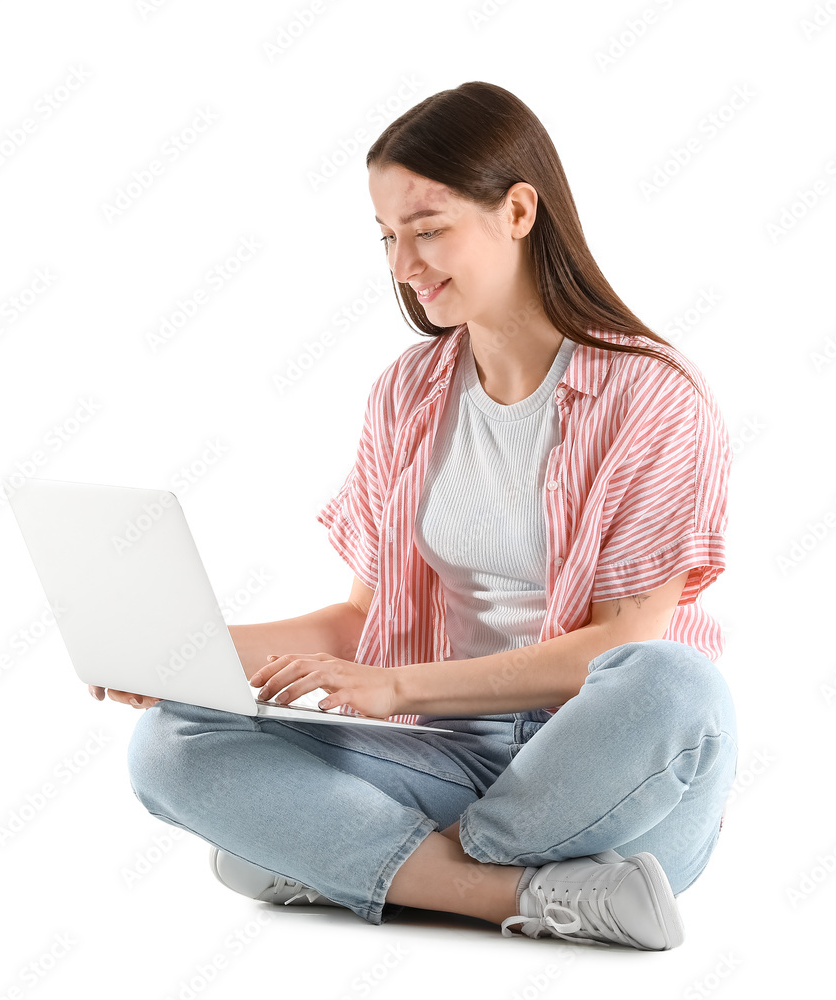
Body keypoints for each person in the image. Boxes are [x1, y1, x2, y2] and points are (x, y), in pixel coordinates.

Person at [97, 81, 738, 950]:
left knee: (672, 681)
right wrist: (180, 650)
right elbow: (358, 621)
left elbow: (613, 646)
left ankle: (352, 860)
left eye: (428, 229)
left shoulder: (654, 398)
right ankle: (515, 893)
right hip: (438, 757)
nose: (403, 265)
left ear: (518, 211)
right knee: (169, 742)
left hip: (602, 774)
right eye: (388, 237)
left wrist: (395, 693)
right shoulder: (408, 394)